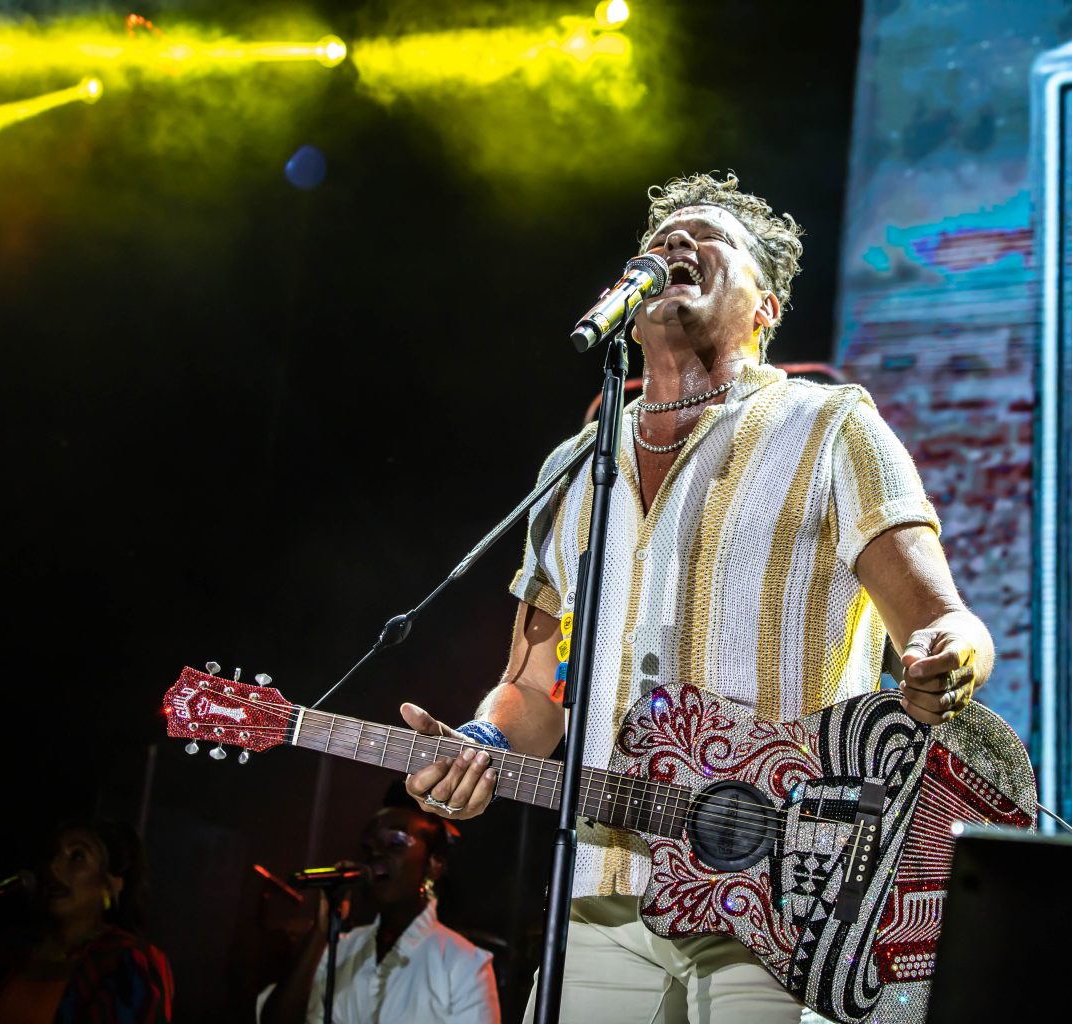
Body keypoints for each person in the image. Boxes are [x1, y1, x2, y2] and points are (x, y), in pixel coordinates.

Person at [396, 172, 996, 1022]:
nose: (675, 245)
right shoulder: (573, 468)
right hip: (601, 892)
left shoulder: (831, 427)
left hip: (786, 896)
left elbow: (944, 619)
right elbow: (533, 690)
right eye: (661, 238)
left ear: (767, 307)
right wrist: (480, 740)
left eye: (707, 238)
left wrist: (949, 659)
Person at [257, 793, 499, 1024]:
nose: (377, 855)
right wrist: (321, 931)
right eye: (368, 847)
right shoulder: (340, 949)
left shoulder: (465, 963)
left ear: (434, 865)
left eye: (395, 843)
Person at [0, 819, 173, 1022]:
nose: (53, 867)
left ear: (112, 883)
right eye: (52, 855)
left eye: (77, 856)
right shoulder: (7, 945)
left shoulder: (130, 962)